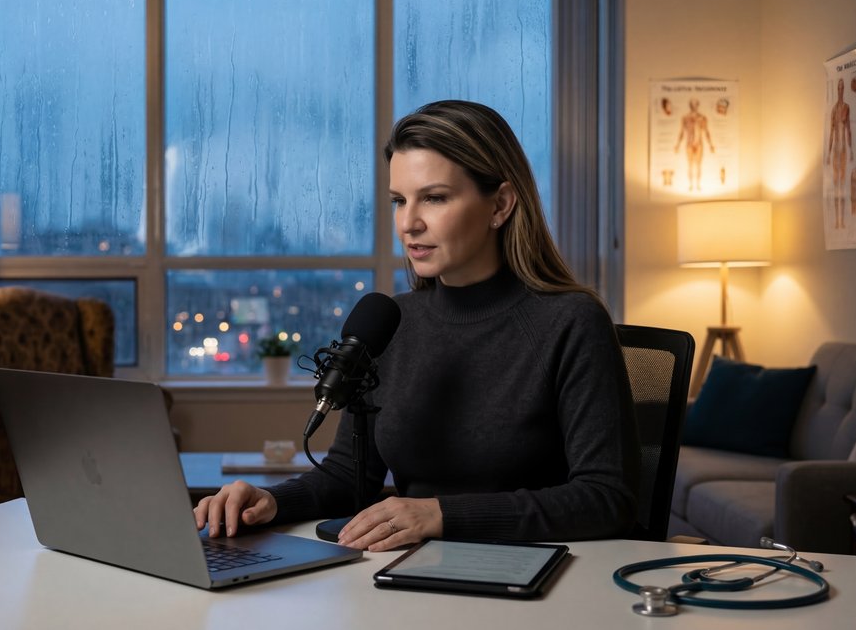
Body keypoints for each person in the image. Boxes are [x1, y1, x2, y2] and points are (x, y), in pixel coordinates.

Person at [193, 100, 639, 552]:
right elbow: (350, 475)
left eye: (435, 197)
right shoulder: (390, 322)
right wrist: (269, 500)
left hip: (533, 577)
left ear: (500, 204)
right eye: (399, 201)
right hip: (407, 576)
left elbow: (605, 498)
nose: (409, 223)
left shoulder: (571, 321)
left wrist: (439, 513)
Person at [826, 77, 854, 229]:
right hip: (836, 150)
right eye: (839, 88)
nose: (840, 90)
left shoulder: (846, 108)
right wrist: (828, 153)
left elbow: (849, 130)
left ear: (844, 90)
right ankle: (836, 221)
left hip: (843, 151)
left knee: (842, 187)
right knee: (836, 186)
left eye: (842, 88)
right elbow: (831, 133)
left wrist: (852, 150)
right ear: (837, 90)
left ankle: (841, 221)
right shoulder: (834, 110)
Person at [674, 98, 715, 192]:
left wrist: (711, 145)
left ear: (698, 105)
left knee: (698, 165)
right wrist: (677, 145)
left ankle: (698, 184)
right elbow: (682, 132)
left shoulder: (702, 118)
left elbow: (706, 131)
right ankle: (691, 185)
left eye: (696, 104)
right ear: (690, 105)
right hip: (689, 143)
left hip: (699, 143)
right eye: (692, 104)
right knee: (690, 165)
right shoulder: (685, 118)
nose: (694, 106)